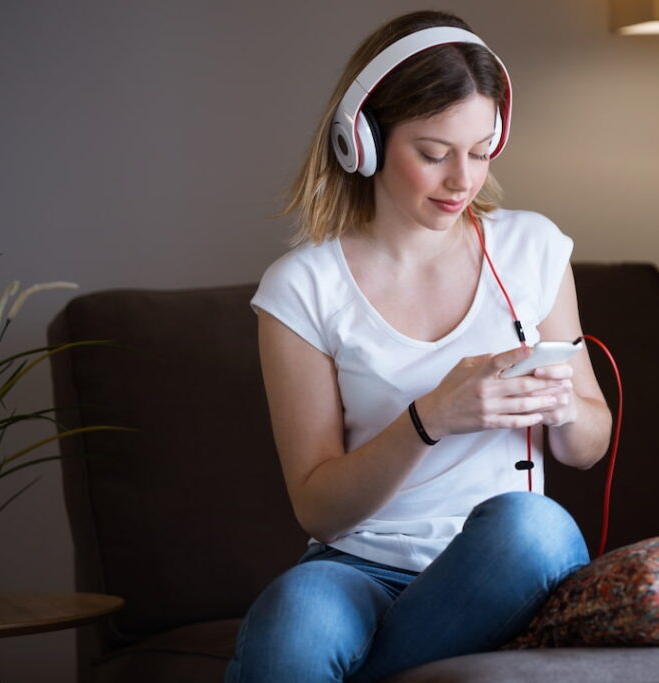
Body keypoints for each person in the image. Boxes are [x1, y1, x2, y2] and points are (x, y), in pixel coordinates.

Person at [225, 10, 612, 682]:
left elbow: (588, 443)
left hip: (495, 567)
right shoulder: (302, 289)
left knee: (537, 526)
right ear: (363, 141)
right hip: (356, 567)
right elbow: (318, 505)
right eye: (434, 154)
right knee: (297, 619)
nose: (463, 180)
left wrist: (564, 408)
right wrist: (432, 415)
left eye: (482, 150)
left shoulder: (533, 250)